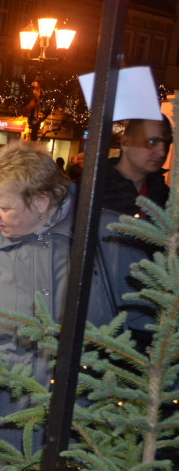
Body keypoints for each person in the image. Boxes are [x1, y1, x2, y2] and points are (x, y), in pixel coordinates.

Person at [0, 142, 114, 451]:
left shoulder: (100, 241)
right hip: (1, 423)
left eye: (4, 205)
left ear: (40, 202)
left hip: (80, 430)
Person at [99, 116, 172, 337]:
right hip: (102, 328)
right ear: (125, 142)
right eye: (152, 142)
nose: (161, 152)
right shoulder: (93, 193)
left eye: (166, 144)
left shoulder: (167, 201)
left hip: (154, 329)